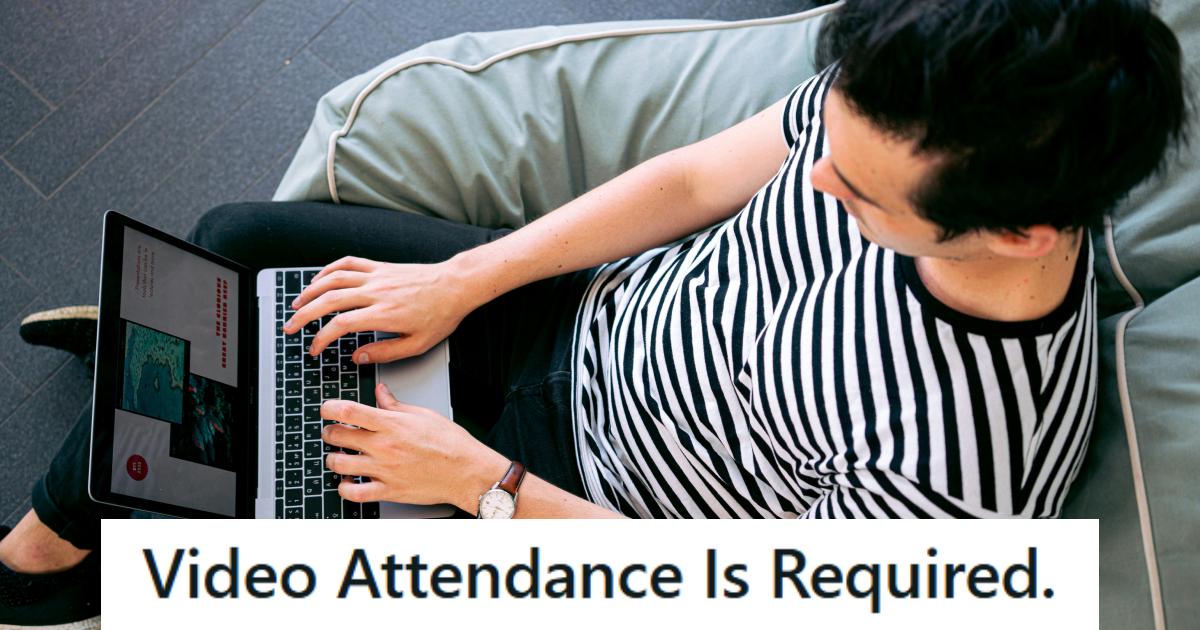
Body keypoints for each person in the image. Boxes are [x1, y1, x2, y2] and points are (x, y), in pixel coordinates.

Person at [0, 0, 1188, 625]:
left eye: (856, 192)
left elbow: (733, 595)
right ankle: (158, 427)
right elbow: (684, 183)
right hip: (573, 319)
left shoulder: (962, 479)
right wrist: (464, 281)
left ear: (1024, 231)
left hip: (569, 491)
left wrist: (484, 484)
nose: (816, 178)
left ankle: (54, 551)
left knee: (258, 470)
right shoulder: (912, 97)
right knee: (241, 244)